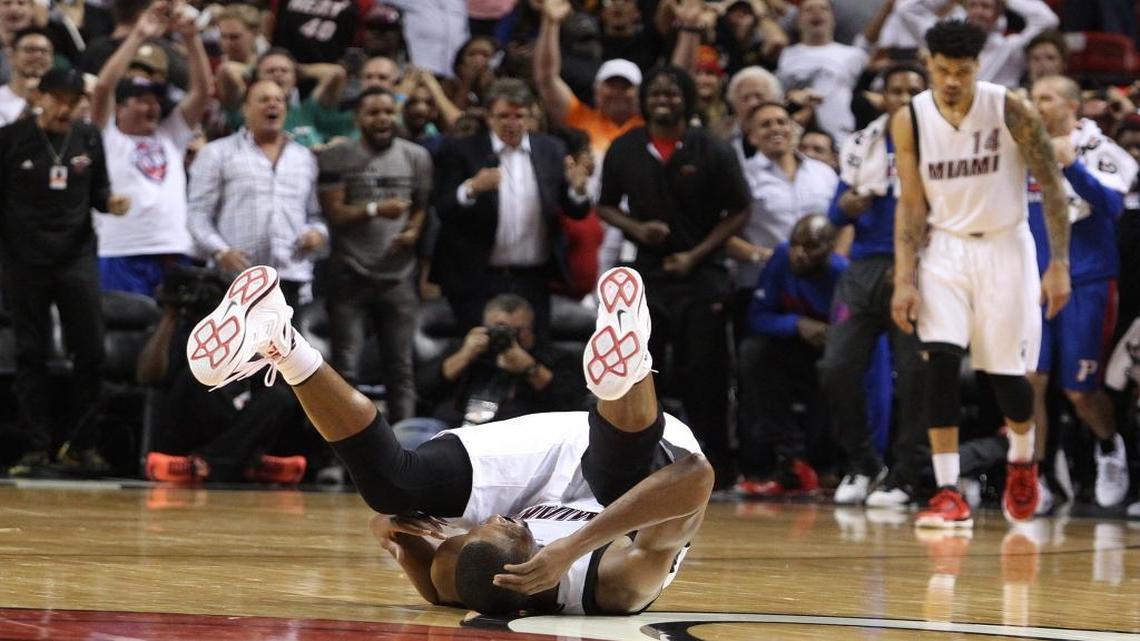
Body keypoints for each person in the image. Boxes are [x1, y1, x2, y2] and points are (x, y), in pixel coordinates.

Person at [184, 263, 711, 616]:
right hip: (633, 463)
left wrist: (394, 527)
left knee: (393, 486)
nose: (491, 520)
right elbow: (695, 479)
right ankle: (632, 360)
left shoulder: (452, 575)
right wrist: (572, 547)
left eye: (473, 531)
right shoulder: (617, 585)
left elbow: (408, 552)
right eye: (502, 528)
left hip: (544, 453)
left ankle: (280, 340)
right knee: (615, 474)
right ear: (524, 574)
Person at [890, 21, 1071, 528]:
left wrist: (1059, 265)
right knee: (939, 364)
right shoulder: (911, 118)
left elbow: (1053, 186)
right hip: (945, 249)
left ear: (979, 67)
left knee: (1006, 377)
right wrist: (905, 278)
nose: (952, 81)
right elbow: (909, 203)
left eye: (963, 72)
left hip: (1006, 246)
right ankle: (948, 491)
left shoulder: (1010, 107)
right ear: (929, 63)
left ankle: (1022, 460)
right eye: (943, 70)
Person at [597, 65, 751, 482]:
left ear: (688, 99)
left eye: (672, 92)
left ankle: (714, 465)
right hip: (648, 276)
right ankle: (643, 466)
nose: (663, 99)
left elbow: (740, 208)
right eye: (655, 93)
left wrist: (696, 254)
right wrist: (636, 228)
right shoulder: (625, 148)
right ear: (643, 101)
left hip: (703, 277)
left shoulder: (713, 148)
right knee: (643, 372)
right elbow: (605, 204)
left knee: (706, 373)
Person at [0, 68, 131, 476]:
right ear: (40, 96)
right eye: (58, 97)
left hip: (75, 257)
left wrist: (111, 204)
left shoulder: (89, 138)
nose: (66, 107)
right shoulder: (10, 139)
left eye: (74, 100)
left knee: (90, 351)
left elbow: (99, 193)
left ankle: (81, 444)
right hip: (24, 259)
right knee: (29, 353)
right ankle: (35, 447)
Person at [819, 62, 929, 507]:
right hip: (864, 266)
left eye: (912, 90)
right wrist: (846, 204)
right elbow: (834, 214)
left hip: (920, 268)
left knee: (916, 374)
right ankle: (863, 463)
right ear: (882, 97)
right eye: (895, 90)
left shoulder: (941, 142)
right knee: (836, 366)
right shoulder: (863, 142)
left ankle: (905, 475)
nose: (903, 97)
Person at [1026, 75, 1137, 511]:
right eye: (1033, 97)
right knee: (1029, 383)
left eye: (1046, 97)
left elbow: (1113, 208)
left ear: (1072, 105)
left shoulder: (1103, 151)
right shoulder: (1021, 151)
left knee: (1079, 390)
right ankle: (1032, 478)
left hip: (1087, 283)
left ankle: (1110, 447)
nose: (1037, 104)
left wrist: (1072, 166)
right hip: (1030, 286)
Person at [430, 78, 591, 335]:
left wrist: (579, 189)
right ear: (488, 116)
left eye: (519, 115)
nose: (512, 123)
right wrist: (471, 188)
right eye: (503, 115)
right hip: (478, 279)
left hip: (533, 278)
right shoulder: (462, 151)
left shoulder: (551, 149)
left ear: (530, 115)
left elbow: (575, 210)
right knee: (483, 356)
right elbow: (442, 208)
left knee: (535, 352)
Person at [317, 87, 432, 424]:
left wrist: (412, 231)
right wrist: (375, 208)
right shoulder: (337, 157)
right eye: (373, 113)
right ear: (358, 118)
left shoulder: (417, 157)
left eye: (387, 112)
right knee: (345, 371)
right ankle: (340, 456)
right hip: (349, 274)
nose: (382, 119)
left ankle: (406, 453)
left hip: (398, 277)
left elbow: (422, 209)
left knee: (401, 369)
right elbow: (334, 215)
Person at [88, 1, 210, 297]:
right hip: (121, 249)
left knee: (176, 337)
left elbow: (204, 91)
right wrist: (138, 36)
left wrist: (192, 39)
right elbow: (103, 88)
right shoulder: (106, 135)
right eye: (142, 99)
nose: (153, 106)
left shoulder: (172, 135)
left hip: (173, 247)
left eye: (156, 99)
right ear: (121, 106)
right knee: (124, 336)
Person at [187, 79, 326, 308]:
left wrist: (317, 234)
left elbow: (316, 216)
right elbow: (197, 214)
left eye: (278, 100)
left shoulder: (304, 158)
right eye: (263, 100)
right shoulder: (217, 153)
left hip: (289, 279)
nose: (272, 105)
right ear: (245, 109)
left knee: (284, 345)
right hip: (234, 280)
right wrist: (221, 252)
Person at [736, 214, 845, 496]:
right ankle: (790, 461)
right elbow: (757, 318)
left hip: (829, 356)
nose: (799, 253)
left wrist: (830, 333)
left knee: (835, 368)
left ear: (830, 248)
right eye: (796, 244)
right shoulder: (781, 258)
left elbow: (853, 333)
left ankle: (825, 466)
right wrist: (797, 324)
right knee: (753, 353)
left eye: (810, 247)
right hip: (792, 347)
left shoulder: (842, 274)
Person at [417, 294, 583, 431]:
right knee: (410, 433)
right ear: (485, 327)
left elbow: (573, 402)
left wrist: (530, 368)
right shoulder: (466, 348)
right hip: (452, 428)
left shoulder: (552, 357)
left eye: (517, 331)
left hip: (513, 432)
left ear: (531, 329)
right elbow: (422, 387)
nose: (508, 337)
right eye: (499, 330)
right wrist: (464, 356)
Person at [894, 0, 1059, 88]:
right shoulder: (946, 40)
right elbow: (905, 9)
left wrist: (1007, 1)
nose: (979, 12)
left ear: (998, 13)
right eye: (973, 5)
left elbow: (1047, 20)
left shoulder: (1010, 47)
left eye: (986, 6)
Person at [774, 0, 868, 145]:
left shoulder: (854, 55)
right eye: (808, 9)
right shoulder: (785, 55)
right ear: (798, 21)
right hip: (796, 137)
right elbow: (777, 97)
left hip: (842, 138)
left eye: (823, 8)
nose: (816, 12)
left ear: (833, 19)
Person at [0, 27, 53, 126]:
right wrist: (29, 107)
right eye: (30, 50)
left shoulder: (59, 102)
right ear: (11, 56)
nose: (38, 55)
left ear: (52, 60)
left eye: (44, 51)